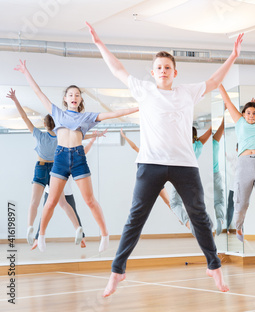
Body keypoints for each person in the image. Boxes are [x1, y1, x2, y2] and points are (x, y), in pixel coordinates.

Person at [86, 21, 242, 295]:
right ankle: (117, 271)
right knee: (136, 217)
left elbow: (215, 81)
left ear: (174, 72)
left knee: (200, 216)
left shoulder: (187, 92)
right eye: (158, 67)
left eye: (167, 67)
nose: (163, 71)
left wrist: (233, 56)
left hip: (184, 166)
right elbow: (118, 69)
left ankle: (213, 266)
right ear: (152, 72)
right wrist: (100, 43)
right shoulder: (144, 90)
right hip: (150, 164)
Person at [14, 61, 139, 253]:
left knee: (90, 200)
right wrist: (25, 72)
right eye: (71, 94)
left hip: (79, 158)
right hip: (61, 158)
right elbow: (39, 92)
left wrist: (140, 107)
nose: (74, 97)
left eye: (77, 95)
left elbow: (115, 113)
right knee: (52, 201)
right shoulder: (57, 113)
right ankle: (42, 235)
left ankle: (105, 234)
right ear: (65, 98)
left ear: (80, 100)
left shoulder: (87, 117)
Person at [7, 88, 84, 246]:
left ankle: (30, 226)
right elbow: (78, 134)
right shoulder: (62, 136)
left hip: (41, 168)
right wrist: (92, 135)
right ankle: (77, 228)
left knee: (34, 202)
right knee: (63, 203)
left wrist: (15, 100)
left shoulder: (39, 135)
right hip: (56, 171)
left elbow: (24, 117)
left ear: (44, 124)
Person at [219, 84, 255, 242]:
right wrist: (219, 84)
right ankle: (238, 226)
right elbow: (228, 102)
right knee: (240, 202)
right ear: (243, 114)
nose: (251, 115)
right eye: (248, 113)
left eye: (254, 113)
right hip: (243, 164)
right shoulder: (239, 122)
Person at [32, 132, 102, 250]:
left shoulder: (61, 160)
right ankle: (39, 237)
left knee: (48, 212)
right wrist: (91, 140)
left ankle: (39, 237)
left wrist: (91, 141)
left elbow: (82, 147)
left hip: (57, 190)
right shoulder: (63, 158)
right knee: (69, 212)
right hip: (61, 190)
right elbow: (83, 148)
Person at [169, 126, 213, 231]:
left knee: (175, 203)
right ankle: (209, 226)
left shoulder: (181, 146)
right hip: (193, 176)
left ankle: (189, 224)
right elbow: (210, 130)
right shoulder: (198, 144)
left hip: (179, 176)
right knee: (197, 205)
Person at [120, 129, 173, 212]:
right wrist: (124, 137)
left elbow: (134, 147)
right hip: (148, 182)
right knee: (163, 201)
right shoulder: (143, 154)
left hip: (153, 181)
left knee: (167, 201)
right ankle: (181, 217)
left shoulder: (152, 155)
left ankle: (181, 218)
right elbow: (134, 147)